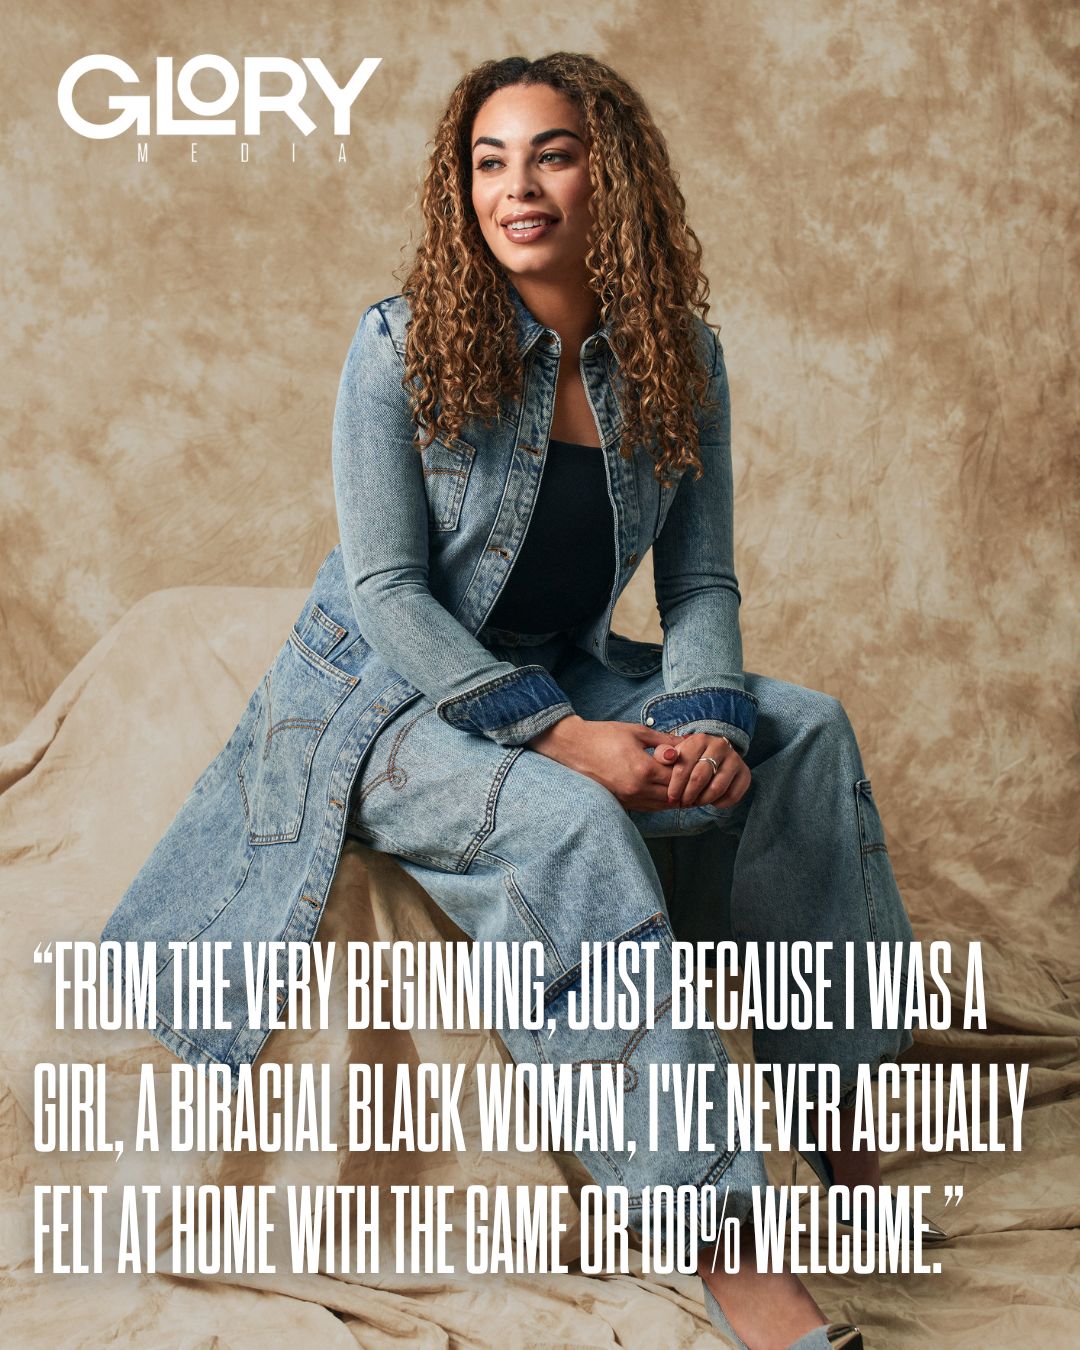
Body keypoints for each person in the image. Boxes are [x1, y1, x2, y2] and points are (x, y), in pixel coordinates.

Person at [102, 51, 943, 1350]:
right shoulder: (399, 349)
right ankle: (734, 1252)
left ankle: (831, 1111)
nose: (519, 186)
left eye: (549, 152)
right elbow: (387, 590)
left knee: (808, 731)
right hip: (391, 700)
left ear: (610, 173)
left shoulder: (682, 359)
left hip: (568, 656)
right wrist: (562, 737)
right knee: (566, 824)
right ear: (462, 190)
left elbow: (702, 577)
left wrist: (708, 715)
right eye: (489, 161)